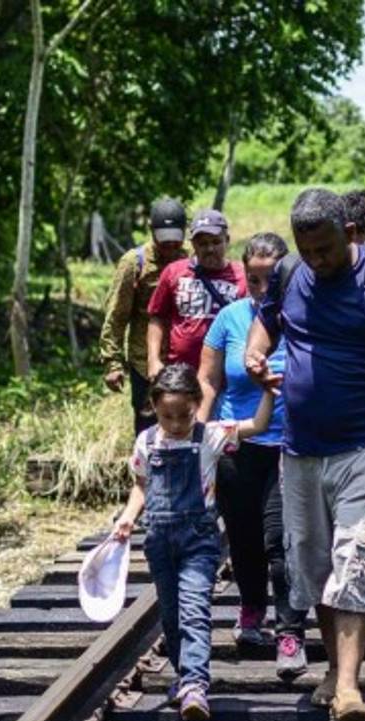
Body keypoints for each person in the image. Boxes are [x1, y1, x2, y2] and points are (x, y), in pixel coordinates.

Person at [245, 188, 365, 721]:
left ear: (347, 234)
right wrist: (254, 353)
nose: (317, 260)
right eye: (308, 251)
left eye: (325, 249)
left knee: (357, 556)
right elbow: (267, 320)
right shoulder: (287, 273)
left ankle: (348, 685)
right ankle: (334, 669)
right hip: (301, 449)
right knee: (316, 565)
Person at [112, 363, 275, 721]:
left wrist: (267, 393)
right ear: (154, 407)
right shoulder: (147, 441)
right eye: (166, 415)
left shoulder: (211, 435)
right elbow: (141, 484)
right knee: (170, 616)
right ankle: (185, 676)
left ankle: (196, 684)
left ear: (198, 405)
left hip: (199, 540)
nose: (175, 424)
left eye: (183, 415)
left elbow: (257, 426)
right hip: (158, 540)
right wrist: (128, 517)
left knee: (194, 610)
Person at [197, 232, 307, 681]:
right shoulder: (229, 319)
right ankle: (250, 610)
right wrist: (198, 437)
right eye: (254, 280)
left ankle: (290, 632)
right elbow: (208, 380)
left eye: (270, 279)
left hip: (289, 445)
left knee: (279, 543)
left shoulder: (302, 315)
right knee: (242, 542)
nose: (262, 289)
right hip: (236, 444)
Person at [99, 198, 188, 435]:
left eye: (175, 237)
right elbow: (116, 316)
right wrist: (113, 363)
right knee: (149, 431)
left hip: (184, 362)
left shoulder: (190, 259)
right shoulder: (134, 263)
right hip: (144, 364)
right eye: (164, 237)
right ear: (152, 232)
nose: (170, 244)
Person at [146, 208, 246, 377]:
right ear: (193, 244)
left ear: (226, 240)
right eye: (203, 243)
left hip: (225, 375)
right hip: (181, 372)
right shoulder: (174, 272)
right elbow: (157, 317)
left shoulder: (243, 277)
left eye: (216, 242)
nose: (210, 249)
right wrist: (153, 359)